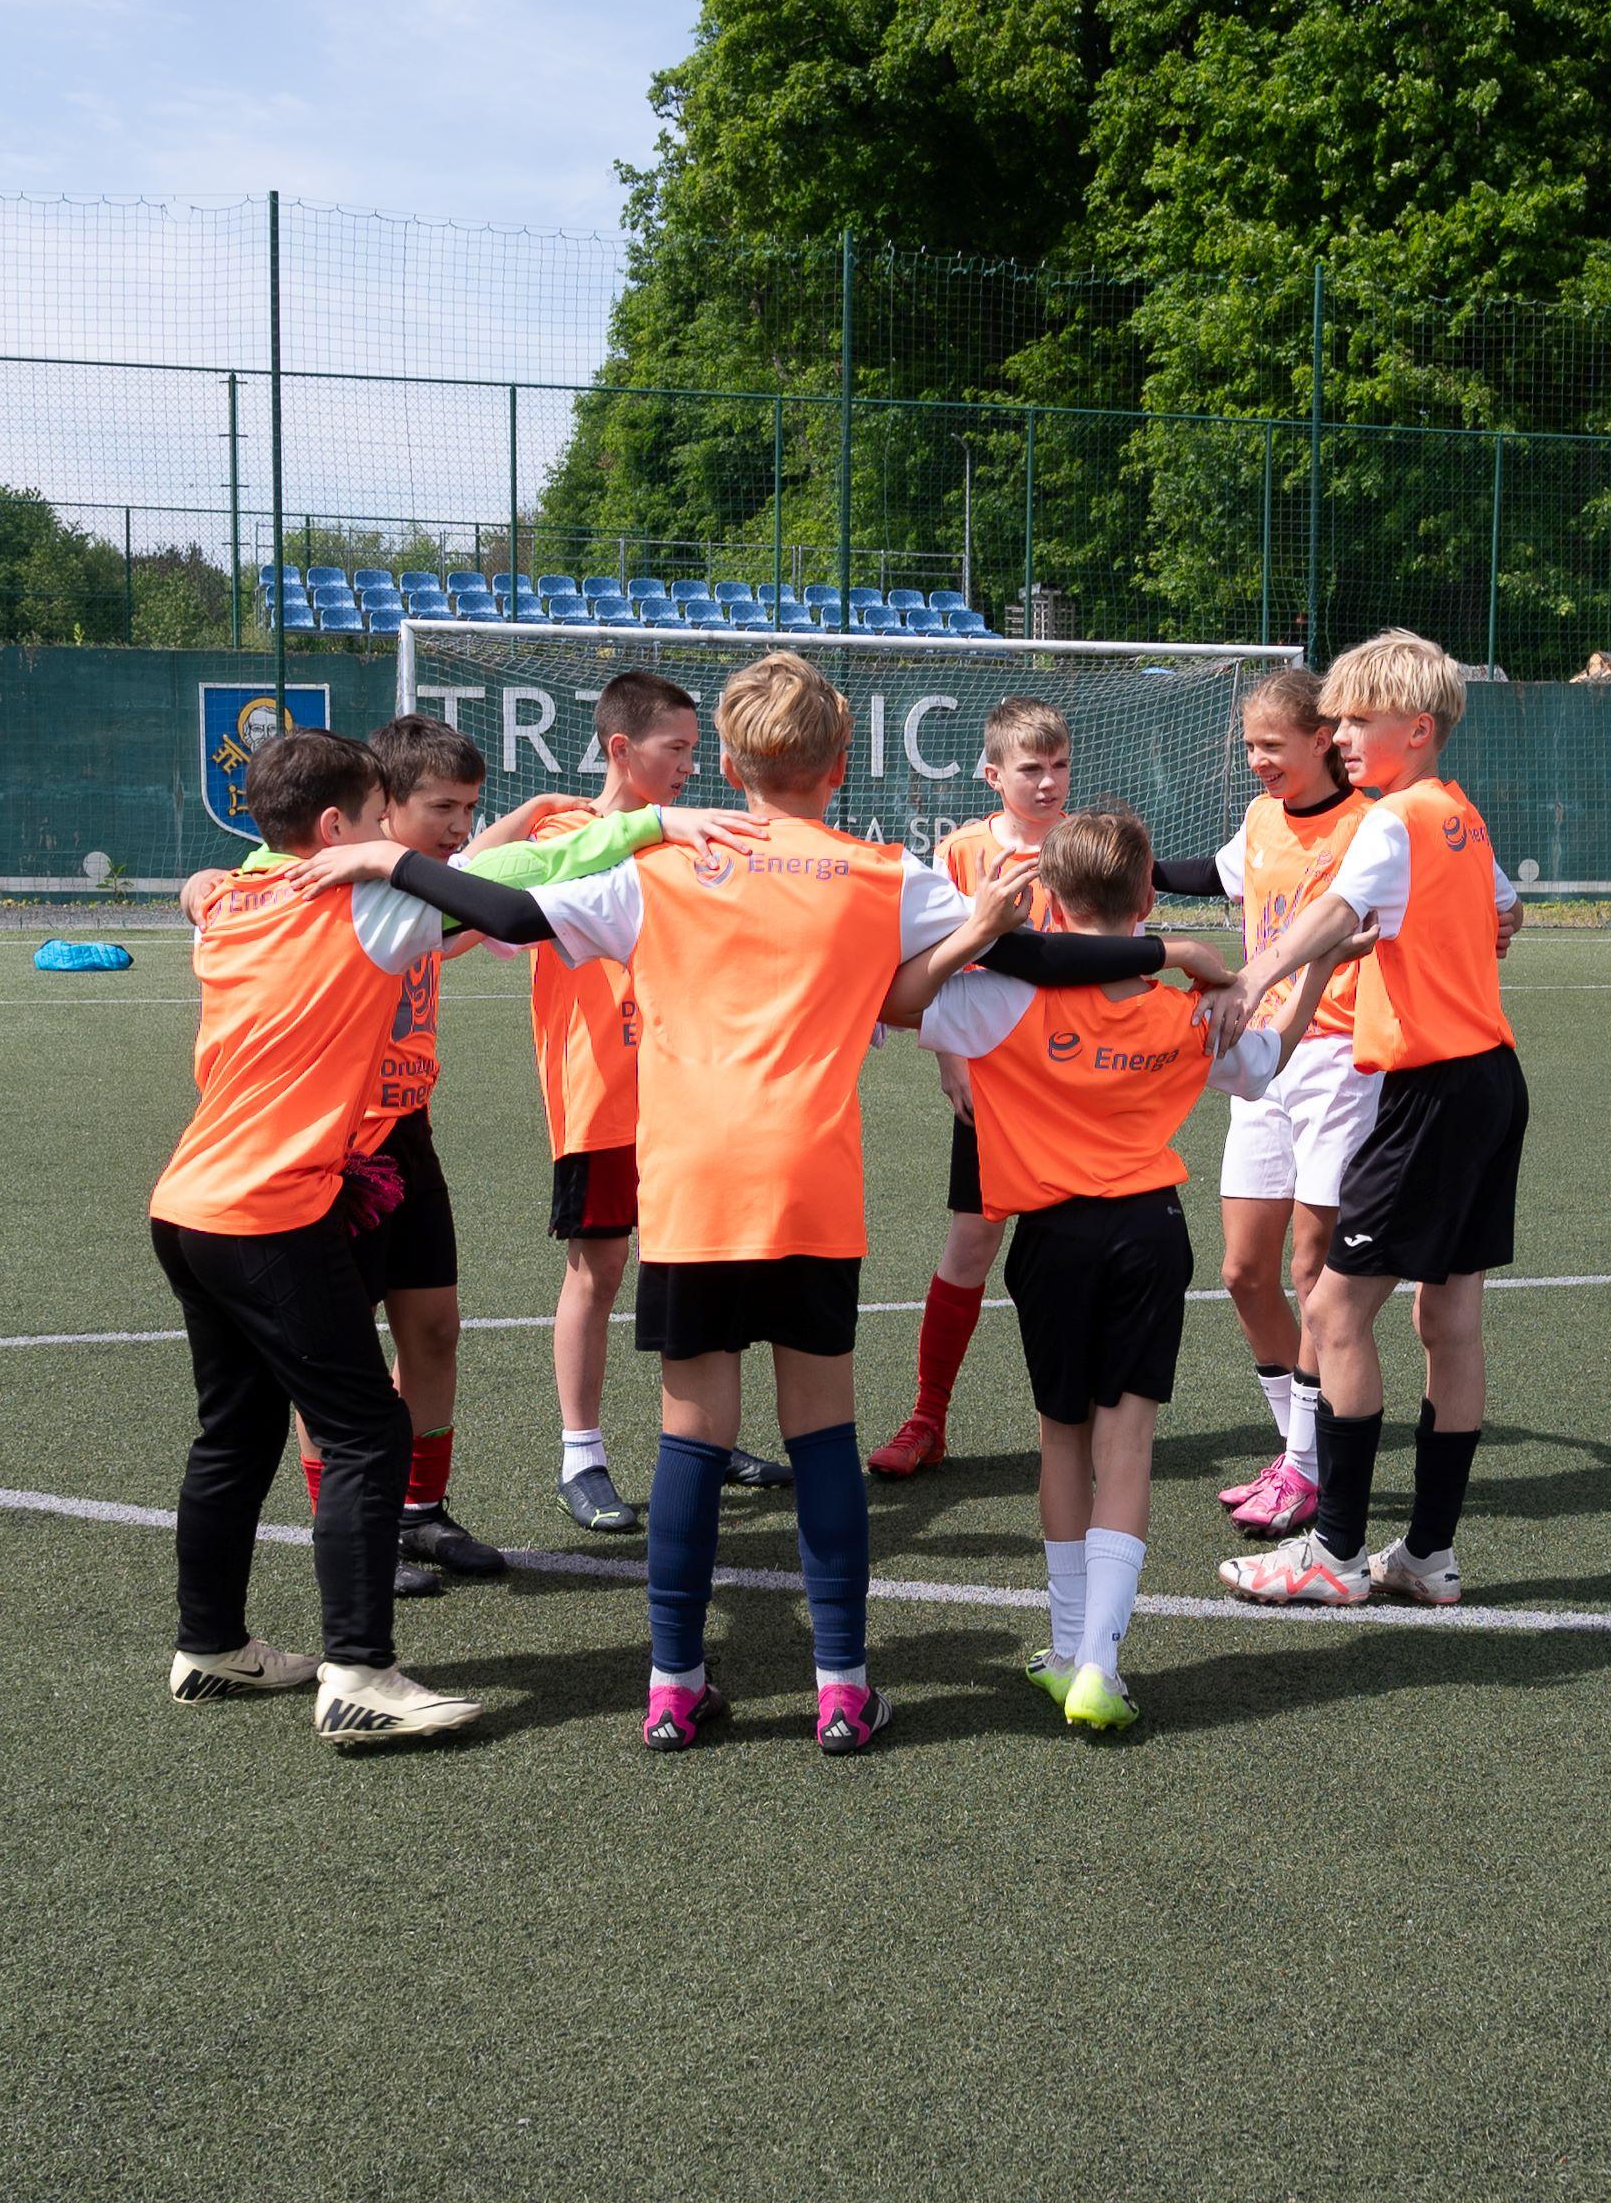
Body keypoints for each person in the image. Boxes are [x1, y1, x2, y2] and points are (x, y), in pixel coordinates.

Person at [303, 652, 1195, 1755]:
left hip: (694, 1188)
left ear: (728, 765)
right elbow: (1037, 955)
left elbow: (508, 911)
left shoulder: (669, 864)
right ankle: (842, 1686)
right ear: (842, 764)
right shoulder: (883, 873)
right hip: (810, 1185)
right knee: (821, 1435)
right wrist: (1172, 950)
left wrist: (387, 855)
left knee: (690, 1437)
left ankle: (674, 1684)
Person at [892, 809, 1305, 1733]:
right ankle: (1100, 1666)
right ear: (1148, 898)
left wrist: (979, 931)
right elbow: (1269, 1061)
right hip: (1150, 1235)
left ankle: (1067, 1645)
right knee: (1129, 1447)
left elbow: (896, 997)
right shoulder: (1186, 1008)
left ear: (1048, 897)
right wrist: (1314, 966)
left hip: (1051, 1241)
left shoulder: (1001, 1000)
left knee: (1061, 1441)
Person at [268, 715, 675, 1596]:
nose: (460, 826)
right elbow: (515, 872)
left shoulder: (423, 886)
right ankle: (350, 1533)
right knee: (340, 1353)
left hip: (406, 1132)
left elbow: (497, 868)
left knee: (435, 1329)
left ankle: (418, 1509)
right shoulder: (345, 890)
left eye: (469, 808)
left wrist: (516, 816)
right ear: (381, 808)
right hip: (332, 1145)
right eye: (442, 808)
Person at [143, 724, 482, 1740]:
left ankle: (209, 1647)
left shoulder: (229, 902)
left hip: (188, 1205)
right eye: (382, 818)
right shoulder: (367, 900)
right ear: (336, 828)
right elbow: (511, 904)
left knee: (235, 1431)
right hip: (270, 1212)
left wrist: (198, 883)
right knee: (367, 1429)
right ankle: (360, 1674)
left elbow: (203, 891)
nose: (396, 836)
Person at [1207, 630, 1525, 1611]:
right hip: (1492, 1083)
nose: (1340, 735)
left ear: (1416, 729)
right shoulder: (1459, 815)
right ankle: (1426, 1554)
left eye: (1357, 720)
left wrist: (1255, 975)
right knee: (1448, 1320)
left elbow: (1335, 912)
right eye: (1337, 720)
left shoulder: (1391, 820)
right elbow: (1503, 915)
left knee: (1336, 1312)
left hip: (1428, 1094)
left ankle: (1334, 1552)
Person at [1143, 669, 1374, 1538]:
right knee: (1244, 1272)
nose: (1257, 761)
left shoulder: (1373, 825)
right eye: (1249, 746)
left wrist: (1499, 914)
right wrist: (1128, 867)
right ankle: (1297, 1452)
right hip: (1263, 1055)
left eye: (1272, 745)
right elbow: (1216, 874)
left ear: (1322, 740)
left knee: (1313, 1275)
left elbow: (1475, 897)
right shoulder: (1261, 817)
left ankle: (1306, 1468)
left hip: (1341, 1061)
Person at [873, 696, 1077, 1480]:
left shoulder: (1090, 844)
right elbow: (936, 964)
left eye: (1059, 766)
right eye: (1031, 769)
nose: (1048, 782)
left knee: (1072, 1253)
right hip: (992, 1080)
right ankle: (928, 1417)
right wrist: (950, 1059)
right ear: (994, 775)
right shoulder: (960, 851)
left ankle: (1080, 1413)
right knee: (970, 1243)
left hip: (1078, 1084)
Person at [527, 669, 696, 1535]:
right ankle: (580, 1455)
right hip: (601, 1096)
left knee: (697, 1266)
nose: (689, 768)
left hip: (690, 1092)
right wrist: (529, 812)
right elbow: (480, 883)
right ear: (622, 748)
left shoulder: (685, 841)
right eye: (677, 749)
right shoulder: (564, 835)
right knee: (598, 1271)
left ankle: (698, 1435)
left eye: (696, 750)